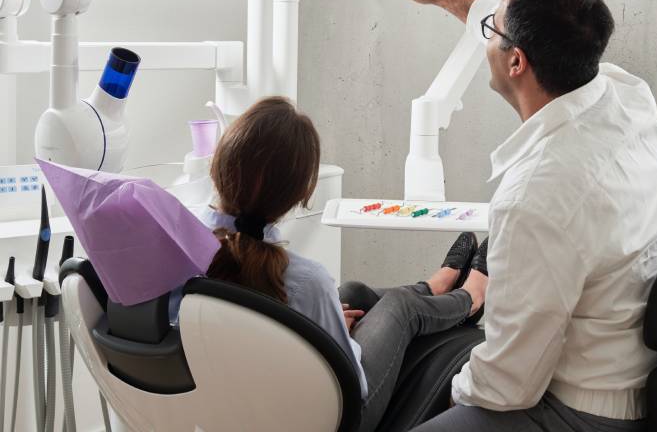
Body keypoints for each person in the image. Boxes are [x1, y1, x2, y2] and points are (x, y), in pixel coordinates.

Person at [388, 0, 657, 431]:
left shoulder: (537, 195)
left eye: (494, 28)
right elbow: (524, 27)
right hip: (632, 375)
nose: (488, 29)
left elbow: (507, 386)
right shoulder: (628, 96)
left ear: (516, 62)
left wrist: (446, 396)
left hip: (575, 411)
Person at [198, 96, 490, 432]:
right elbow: (352, 382)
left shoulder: (185, 249)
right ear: (299, 196)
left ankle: (435, 288)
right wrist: (337, 341)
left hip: (244, 408)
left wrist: (327, 327)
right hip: (334, 419)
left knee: (352, 292)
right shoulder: (306, 282)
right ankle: (470, 298)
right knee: (400, 307)